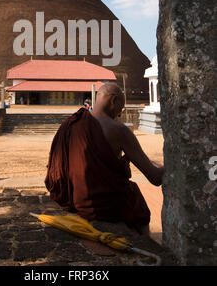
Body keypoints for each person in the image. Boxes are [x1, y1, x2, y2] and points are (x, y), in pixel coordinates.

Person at [45, 82, 163, 235]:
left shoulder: (71, 124)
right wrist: (169, 166)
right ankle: (145, 243)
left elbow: (59, 168)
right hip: (106, 206)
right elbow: (154, 177)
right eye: (121, 107)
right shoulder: (119, 130)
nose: (120, 114)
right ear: (114, 101)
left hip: (76, 200)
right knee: (136, 201)